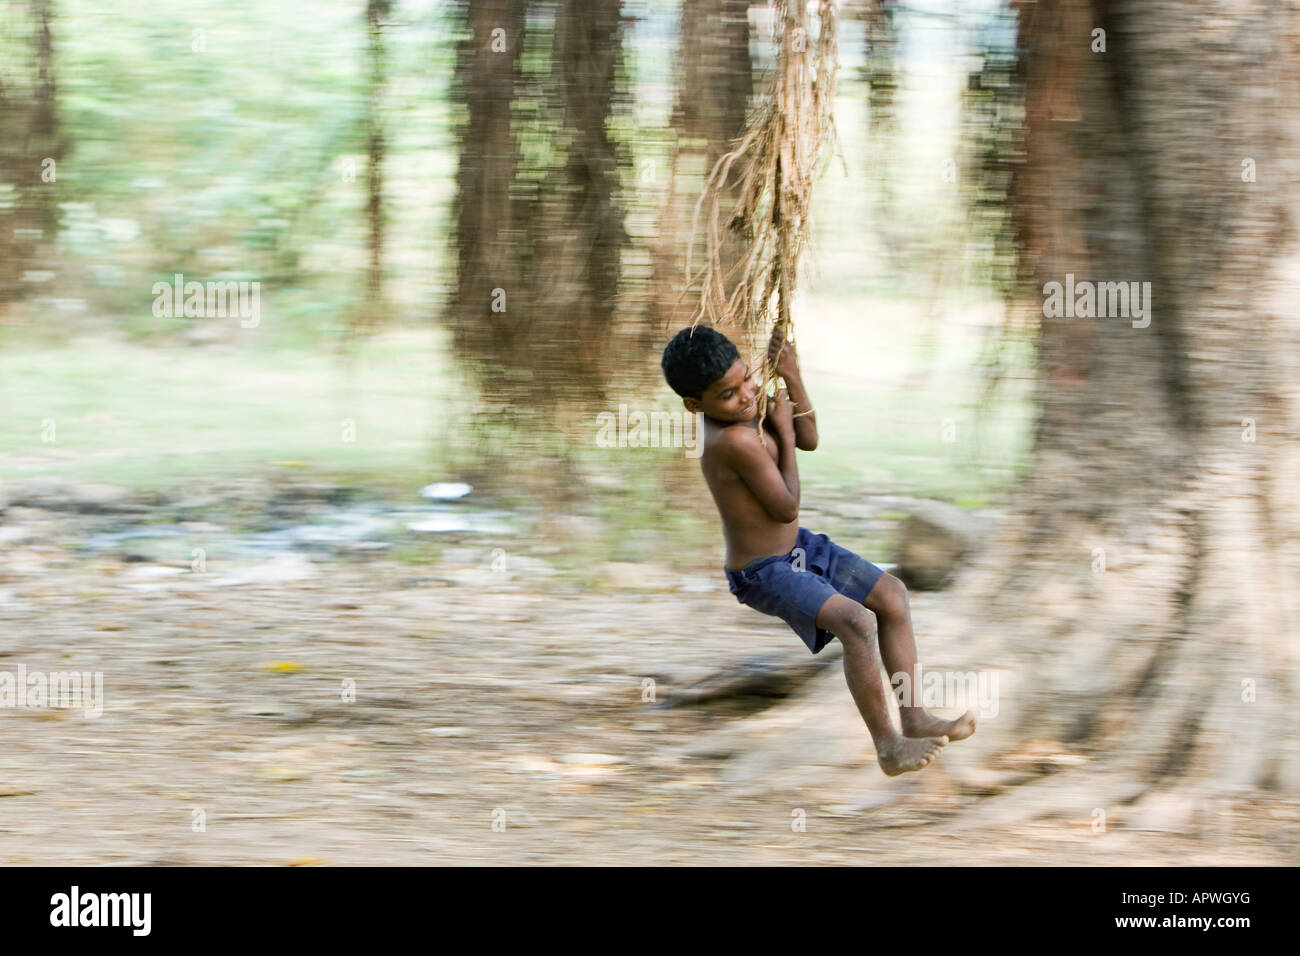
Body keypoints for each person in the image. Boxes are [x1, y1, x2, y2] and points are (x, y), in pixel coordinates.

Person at [660, 323, 976, 776]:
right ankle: (888, 745)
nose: (747, 395)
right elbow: (786, 506)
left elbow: (809, 438)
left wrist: (792, 376)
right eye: (729, 394)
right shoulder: (731, 439)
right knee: (857, 622)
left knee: (892, 595)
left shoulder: (743, 412)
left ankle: (914, 715)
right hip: (763, 571)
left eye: (747, 378)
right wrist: (782, 433)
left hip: (800, 549)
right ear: (696, 405)